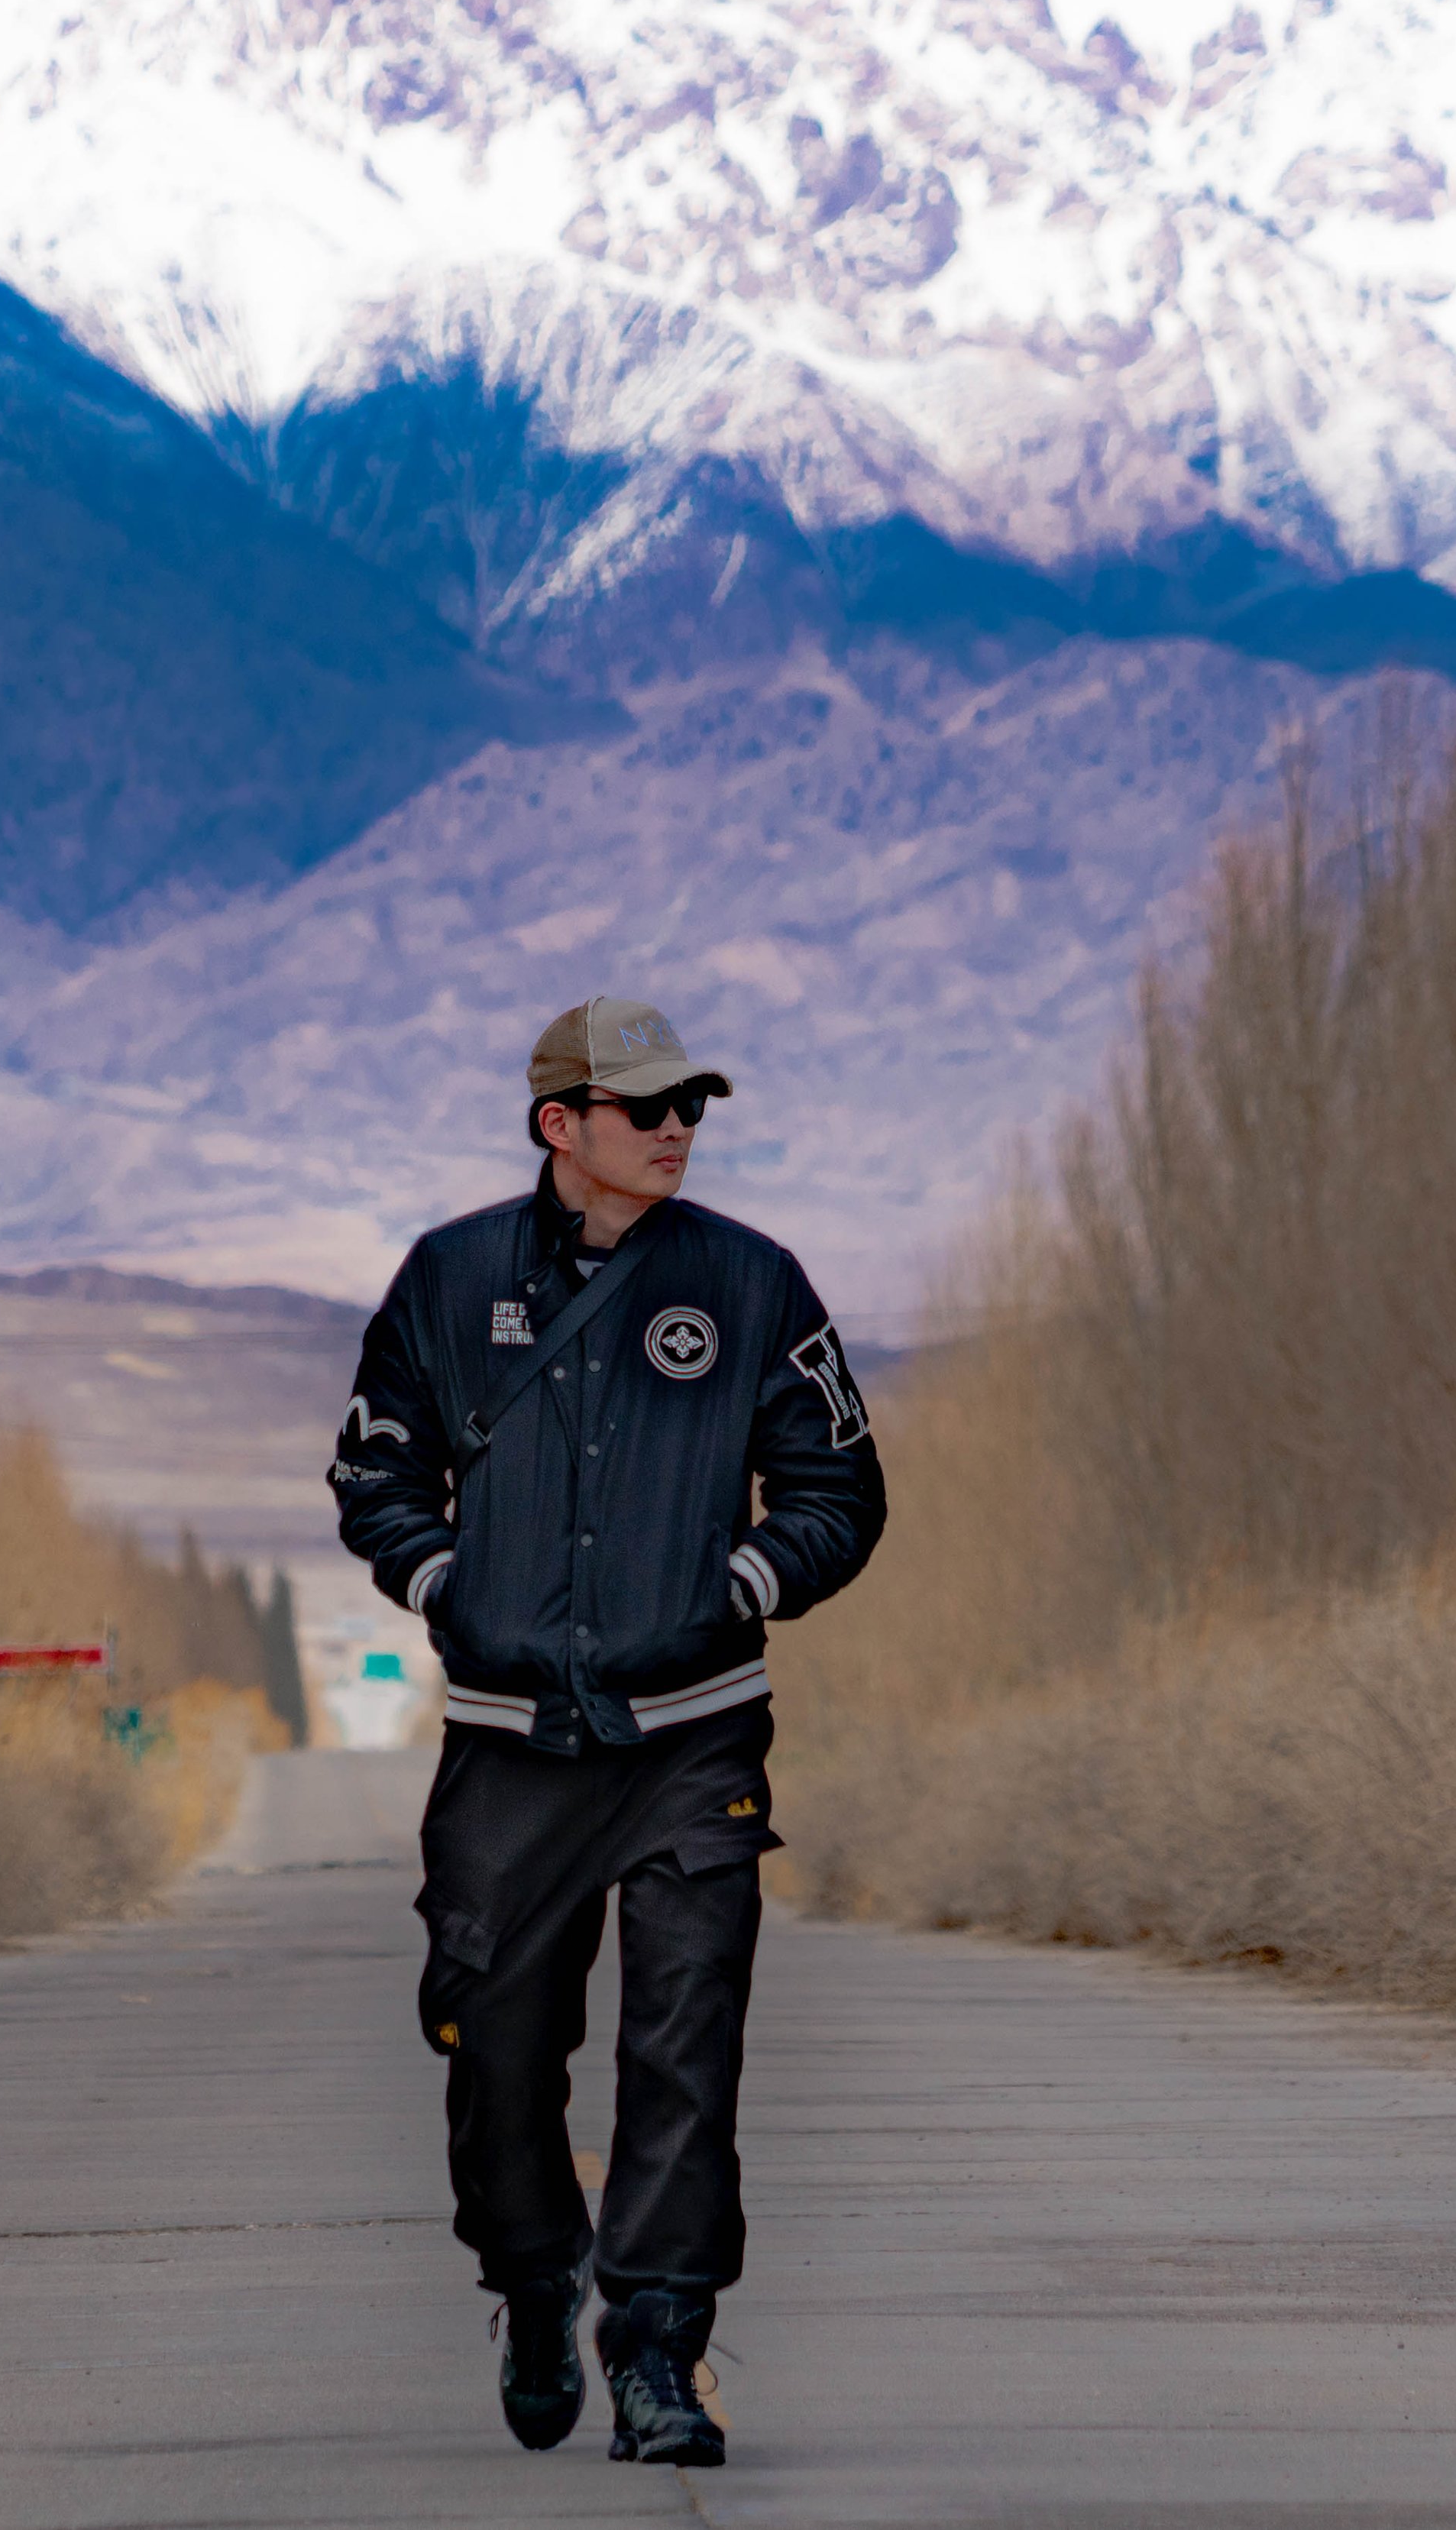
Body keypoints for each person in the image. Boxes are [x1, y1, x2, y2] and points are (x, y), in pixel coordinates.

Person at [328, 995, 885, 2467]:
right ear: (559, 1126)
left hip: (695, 1741)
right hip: (509, 1747)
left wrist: (741, 1585)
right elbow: (373, 1470)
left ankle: (656, 2349)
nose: (678, 1130)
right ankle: (531, 2274)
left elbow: (840, 1488)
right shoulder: (446, 1281)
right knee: (495, 2047)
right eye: (646, 1110)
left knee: (686, 2048)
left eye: (691, 1105)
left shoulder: (758, 1284)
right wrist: (448, 1579)